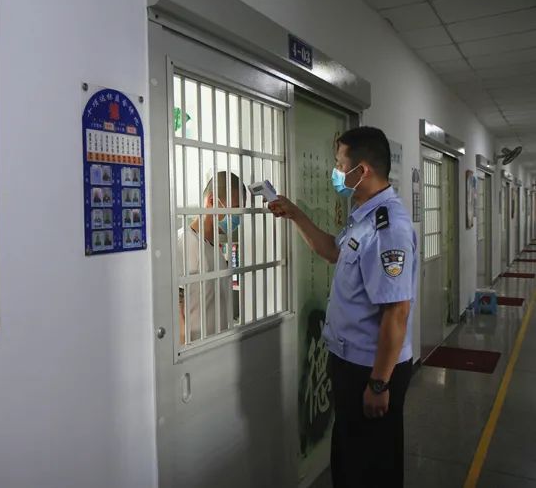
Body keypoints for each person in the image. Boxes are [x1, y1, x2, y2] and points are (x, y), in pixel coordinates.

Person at [269, 127, 417, 488]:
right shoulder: (364, 216)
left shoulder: (388, 229)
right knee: (350, 460)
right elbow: (334, 251)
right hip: (352, 363)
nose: (335, 172)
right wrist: (295, 214)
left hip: (371, 368)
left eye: (339, 164)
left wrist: (379, 384)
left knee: (371, 468)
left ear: (362, 171)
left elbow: (397, 312)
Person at [177, 171, 246, 344]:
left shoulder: (214, 246)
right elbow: (174, 310)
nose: (237, 218)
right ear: (212, 201)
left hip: (216, 347)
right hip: (196, 350)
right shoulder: (185, 242)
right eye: (234, 209)